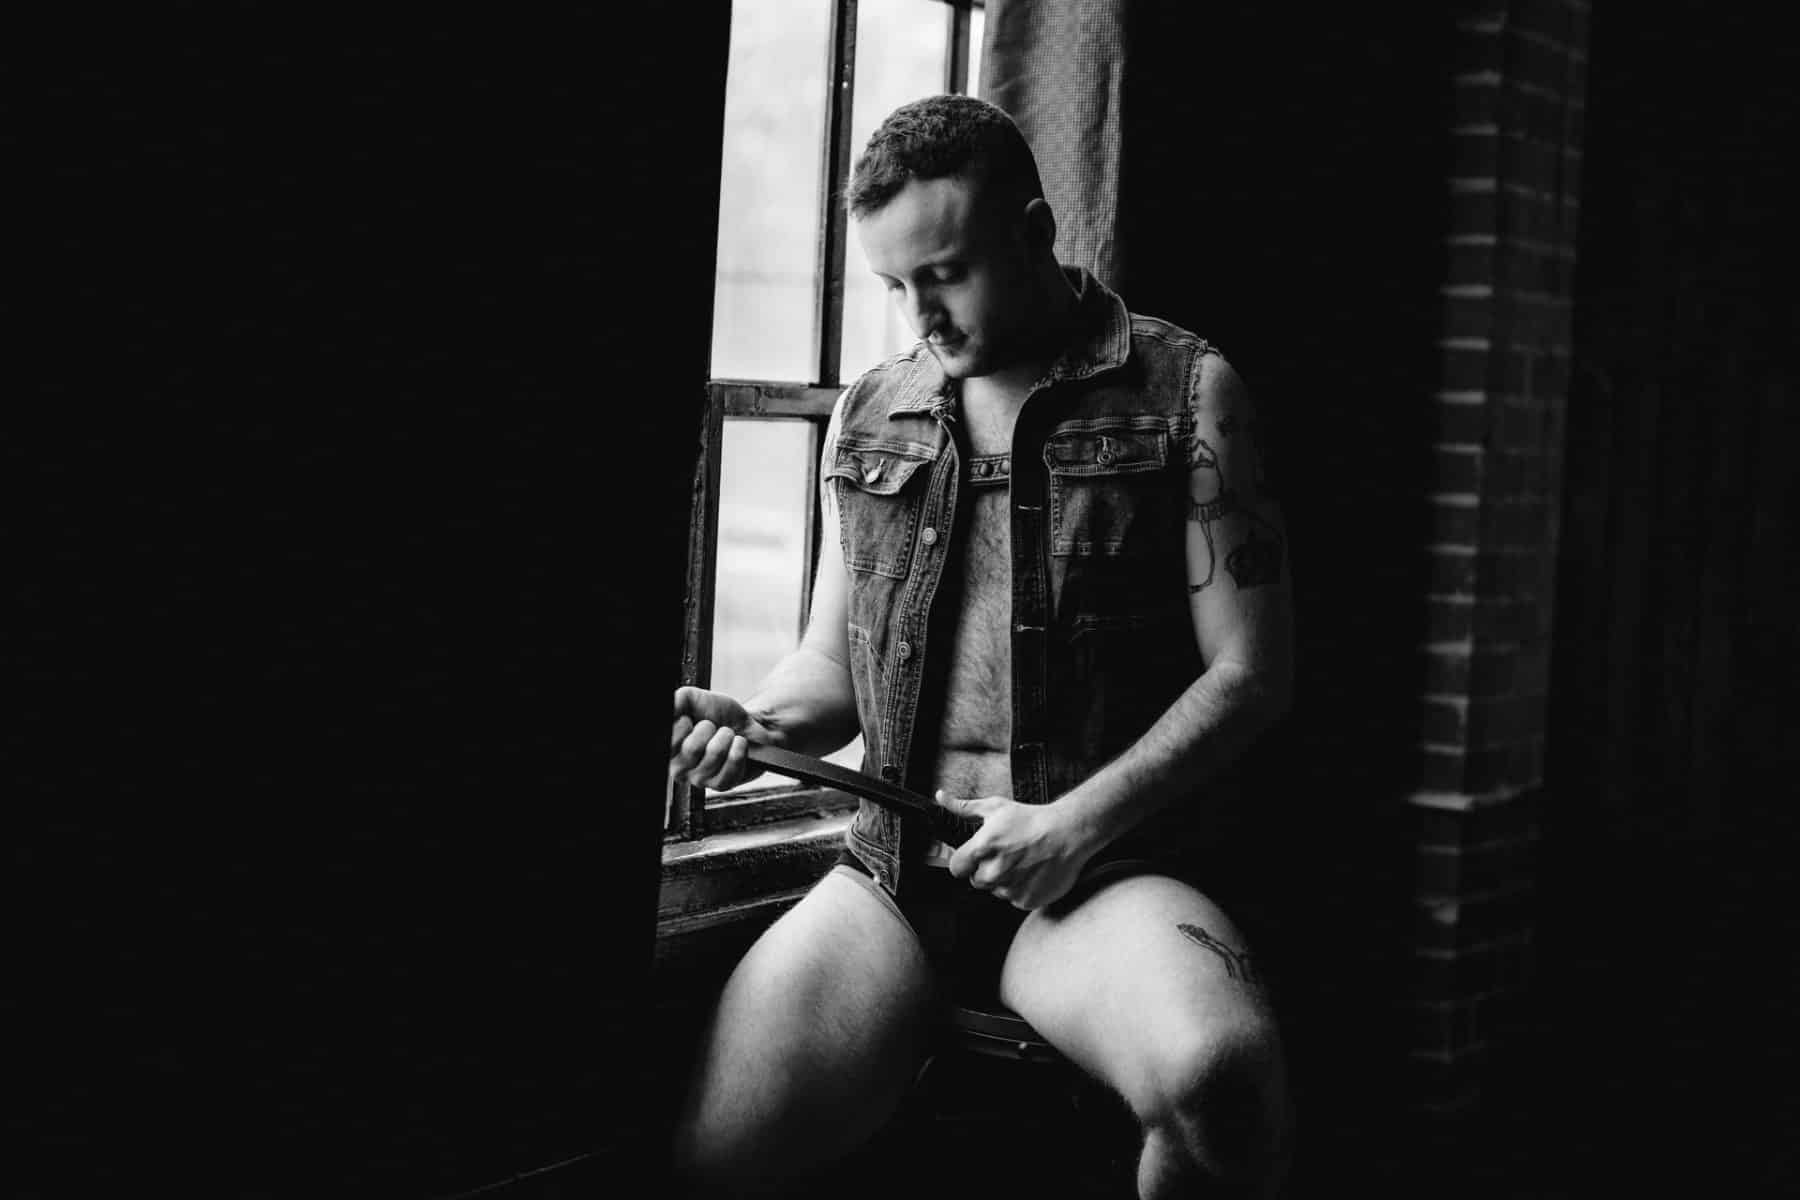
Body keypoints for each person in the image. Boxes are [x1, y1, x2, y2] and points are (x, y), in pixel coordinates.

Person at [668, 94, 1295, 1199]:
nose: (922, 316)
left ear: (1034, 231)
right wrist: (751, 725)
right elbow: (831, 671)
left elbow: (1251, 675)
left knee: (1222, 1085)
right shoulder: (873, 412)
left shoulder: (1190, 391)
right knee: (717, 1157)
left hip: (1101, 875)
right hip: (894, 879)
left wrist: (1074, 825)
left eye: (945, 273)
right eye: (895, 285)